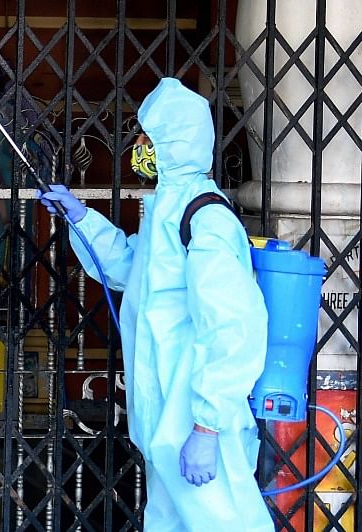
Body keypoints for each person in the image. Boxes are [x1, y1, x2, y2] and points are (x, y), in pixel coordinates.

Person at [40, 77, 272, 531]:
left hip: (198, 422)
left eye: (148, 137)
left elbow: (233, 325)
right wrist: (82, 218)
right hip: (166, 424)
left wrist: (207, 427)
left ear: (174, 141)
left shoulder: (206, 218)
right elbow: (132, 269)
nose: (140, 146)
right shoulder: (168, 206)